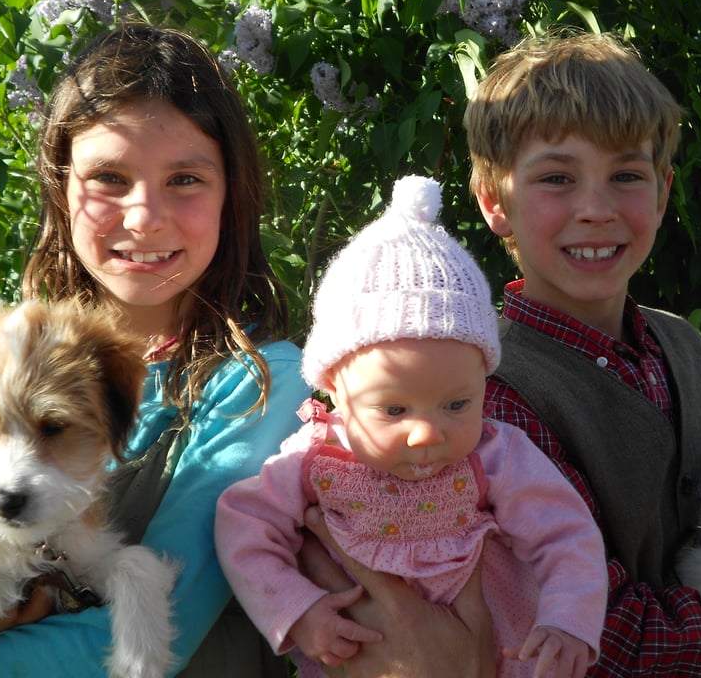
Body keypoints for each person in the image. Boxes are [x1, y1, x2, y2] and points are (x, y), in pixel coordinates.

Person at [0, 23, 310, 677]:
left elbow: (149, 636)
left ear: (232, 194)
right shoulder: (2, 364)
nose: (145, 215)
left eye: (185, 179)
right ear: (61, 188)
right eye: (109, 178)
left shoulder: (261, 388)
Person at [464, 29, 701, 675]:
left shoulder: (679, 345)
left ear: (661, 194)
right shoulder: (490, 389)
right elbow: (592, 626)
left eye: (626, 174)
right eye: (556, 178)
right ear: (496, 202)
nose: (596, 209)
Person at [216, 175, 608, 678]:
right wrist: (298, 610)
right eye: (395, 410)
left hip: (496, 654)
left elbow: (566, 535)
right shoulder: (312, 457)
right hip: (358, 655)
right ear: (333, 384)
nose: (427, 434)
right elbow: (244, 524)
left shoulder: (494, 454)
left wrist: (567, 620)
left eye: (457, 404)